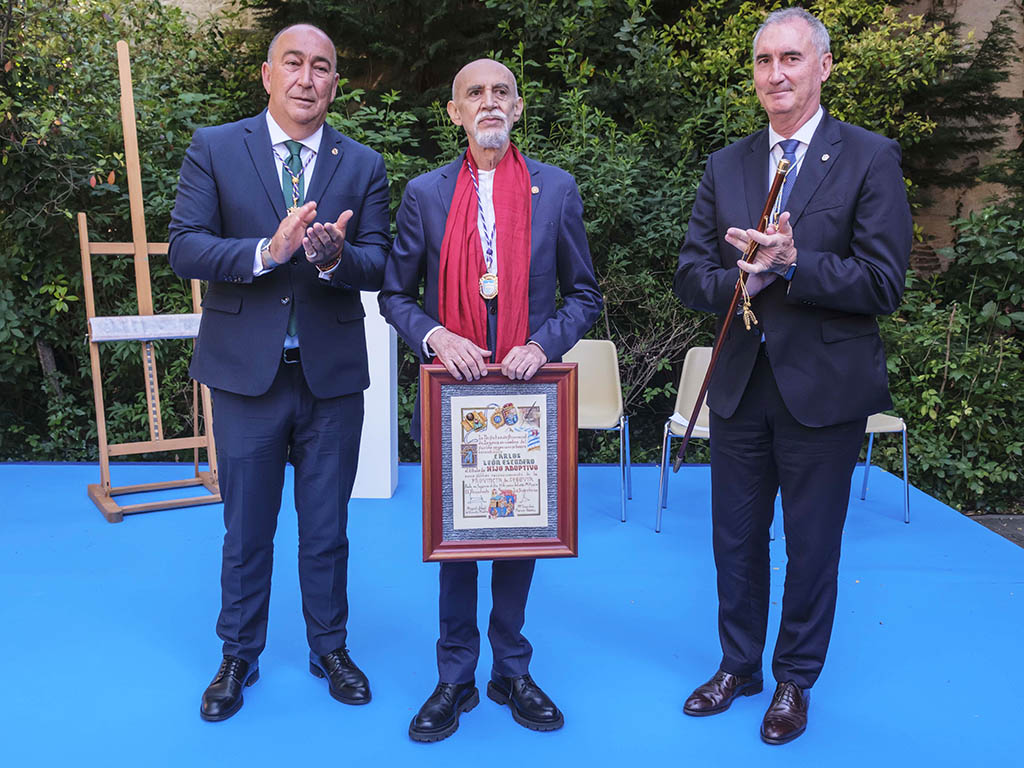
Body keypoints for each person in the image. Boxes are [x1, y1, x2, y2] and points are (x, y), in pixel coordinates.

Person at [672, 7, 910, 745]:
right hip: (741, 385)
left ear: (824, 66)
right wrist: (743, 279)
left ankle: (794, 680)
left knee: (812, 547)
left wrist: (794, 264)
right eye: (764, 61)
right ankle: (738, 665)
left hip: (823, 393)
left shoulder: (870, 157)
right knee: (734, 540)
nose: (776, 74)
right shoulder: (727, 164)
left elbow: (884, 283)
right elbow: (689, 274)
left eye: (792, 59)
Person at [168, 23, 391, 722]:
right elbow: (186, 247)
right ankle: (238, 655)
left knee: (327, 527)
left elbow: (381, 263)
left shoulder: (363, 164)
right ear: (268, 75)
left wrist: (331, 258)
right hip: (244, 378)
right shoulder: (214, 148)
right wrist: (269, 249)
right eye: (292, 64)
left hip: (330, 380)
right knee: (247, 527)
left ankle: (330, 647)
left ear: (333, 83)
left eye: (321, 68)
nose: (306, 78)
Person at [378, 58, 602, 742]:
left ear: (520, 106)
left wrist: (545, 341)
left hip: (527, 401)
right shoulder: (423, 193)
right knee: (454, 543)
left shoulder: (555, 190)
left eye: (502, 91)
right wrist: (437, 334)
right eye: (475, 93)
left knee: (517, 536)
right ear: (454, 112)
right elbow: (394, 295)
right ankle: (454, 676)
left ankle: (511, 668)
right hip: (454, 399)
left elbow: (584, 295)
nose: (489, 102)